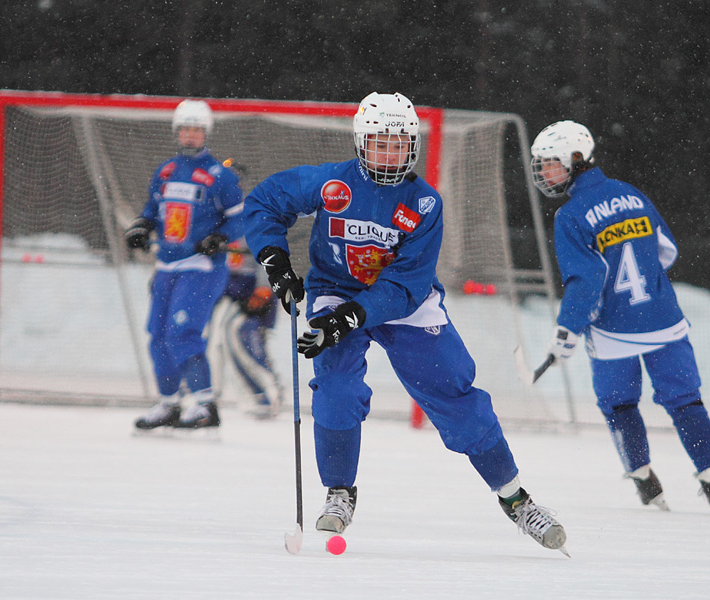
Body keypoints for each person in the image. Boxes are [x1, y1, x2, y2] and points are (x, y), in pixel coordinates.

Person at [243, 92, 568, 554]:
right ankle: (339, 491)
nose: (390, 154)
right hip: (336, 291)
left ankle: (516, 499)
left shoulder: (425, 204)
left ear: (413, 147)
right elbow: (265, 201)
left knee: (454, 393)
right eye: (380, 143)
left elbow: (406, 284)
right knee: (336, 388)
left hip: (403, 303)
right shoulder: (331, 183)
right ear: (360, 143)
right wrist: (275, 261)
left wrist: (351, 318)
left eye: (400, 144)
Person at [529, 120, 710, 514]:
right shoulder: (631, 193)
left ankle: (643, 478)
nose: (545, 173)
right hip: (664, 319)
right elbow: (667, 250)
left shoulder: (570, 216)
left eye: (550, 164)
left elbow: (587, 279)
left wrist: (568, 329)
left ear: (576, 159)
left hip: (612, 332)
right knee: (685, 401)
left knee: (619, 405)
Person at [124, 99, 245, 431]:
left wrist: (219, 239)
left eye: (196, 129)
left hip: (201, 267)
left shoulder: (220, 175)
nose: (190, 136)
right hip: (166, 265)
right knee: (157, 336)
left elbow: (240, 219)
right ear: (177, 132)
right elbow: (153, 209)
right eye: (185, 129)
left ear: (205, 132)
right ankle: (169, 403)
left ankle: (205, 404)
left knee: (182, 333)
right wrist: (141, 226)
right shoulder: (166, 171)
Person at [208, 240, 284, 419]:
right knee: (216, 341)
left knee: (239, 336)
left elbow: (269, 246)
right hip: (227, 290)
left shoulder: (255, 216)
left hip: (250, 291)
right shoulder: (221, 219)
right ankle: (209, 396)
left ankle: (265, 393)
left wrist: (264, 286)